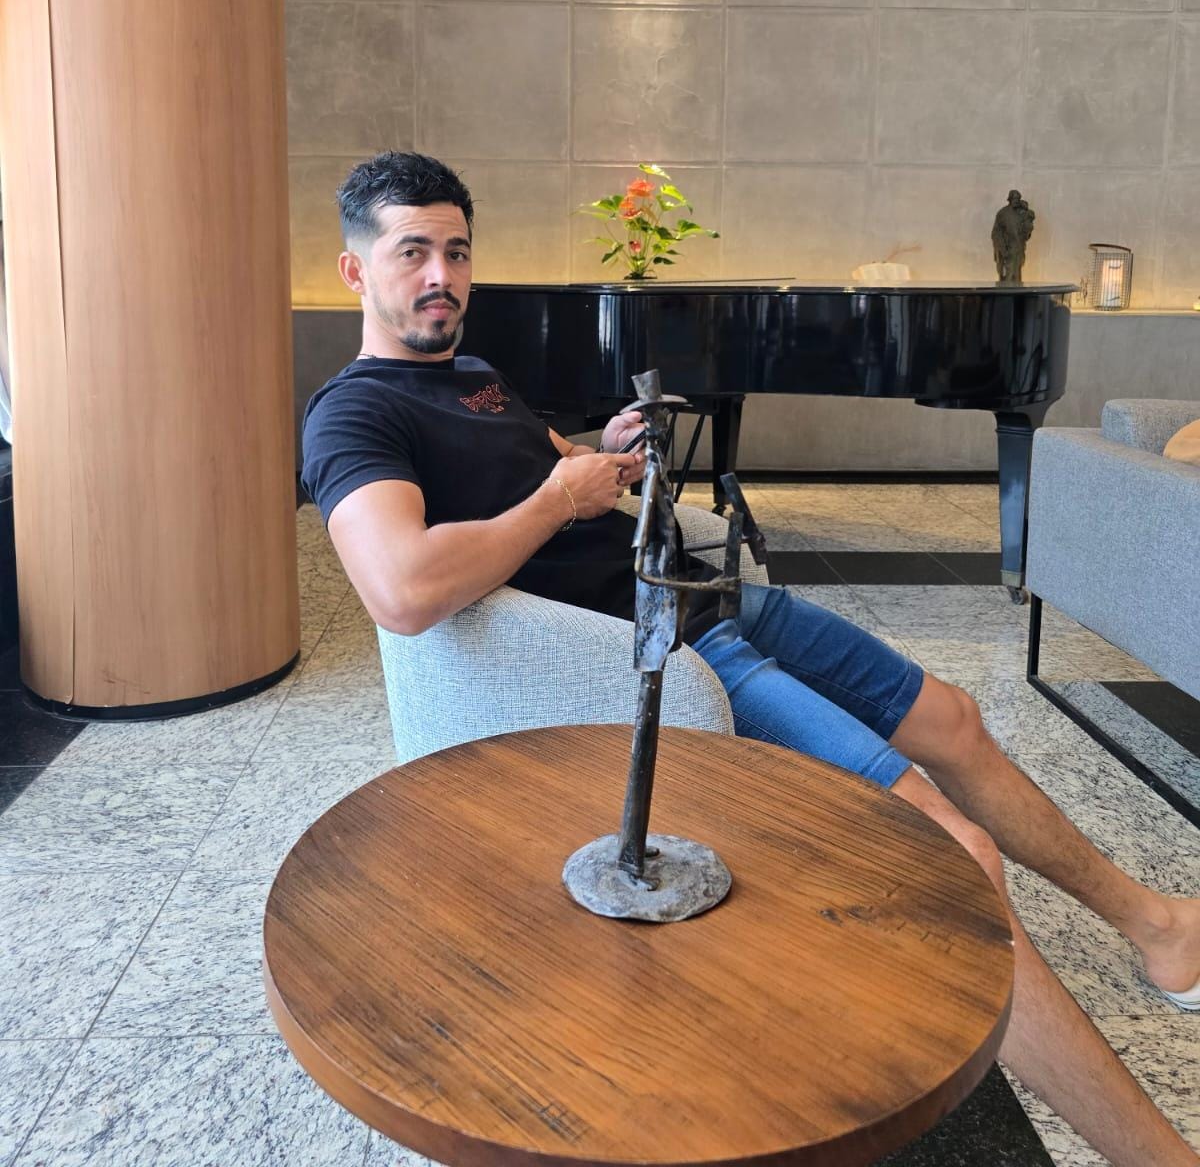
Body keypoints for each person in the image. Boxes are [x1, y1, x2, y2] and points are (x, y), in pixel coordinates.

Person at [303, 151, 1200, 1167]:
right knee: (960, 853)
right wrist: (559, 498)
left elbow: (543, 464)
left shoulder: (472, 376)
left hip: (707, 598)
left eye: (457, 252)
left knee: (953, 717)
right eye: (412, 252)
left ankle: (1156, 923)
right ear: (355, 270)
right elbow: (402, 590)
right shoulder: (355, 412)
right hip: (664, 651)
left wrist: (599, 452)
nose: (441, 276)